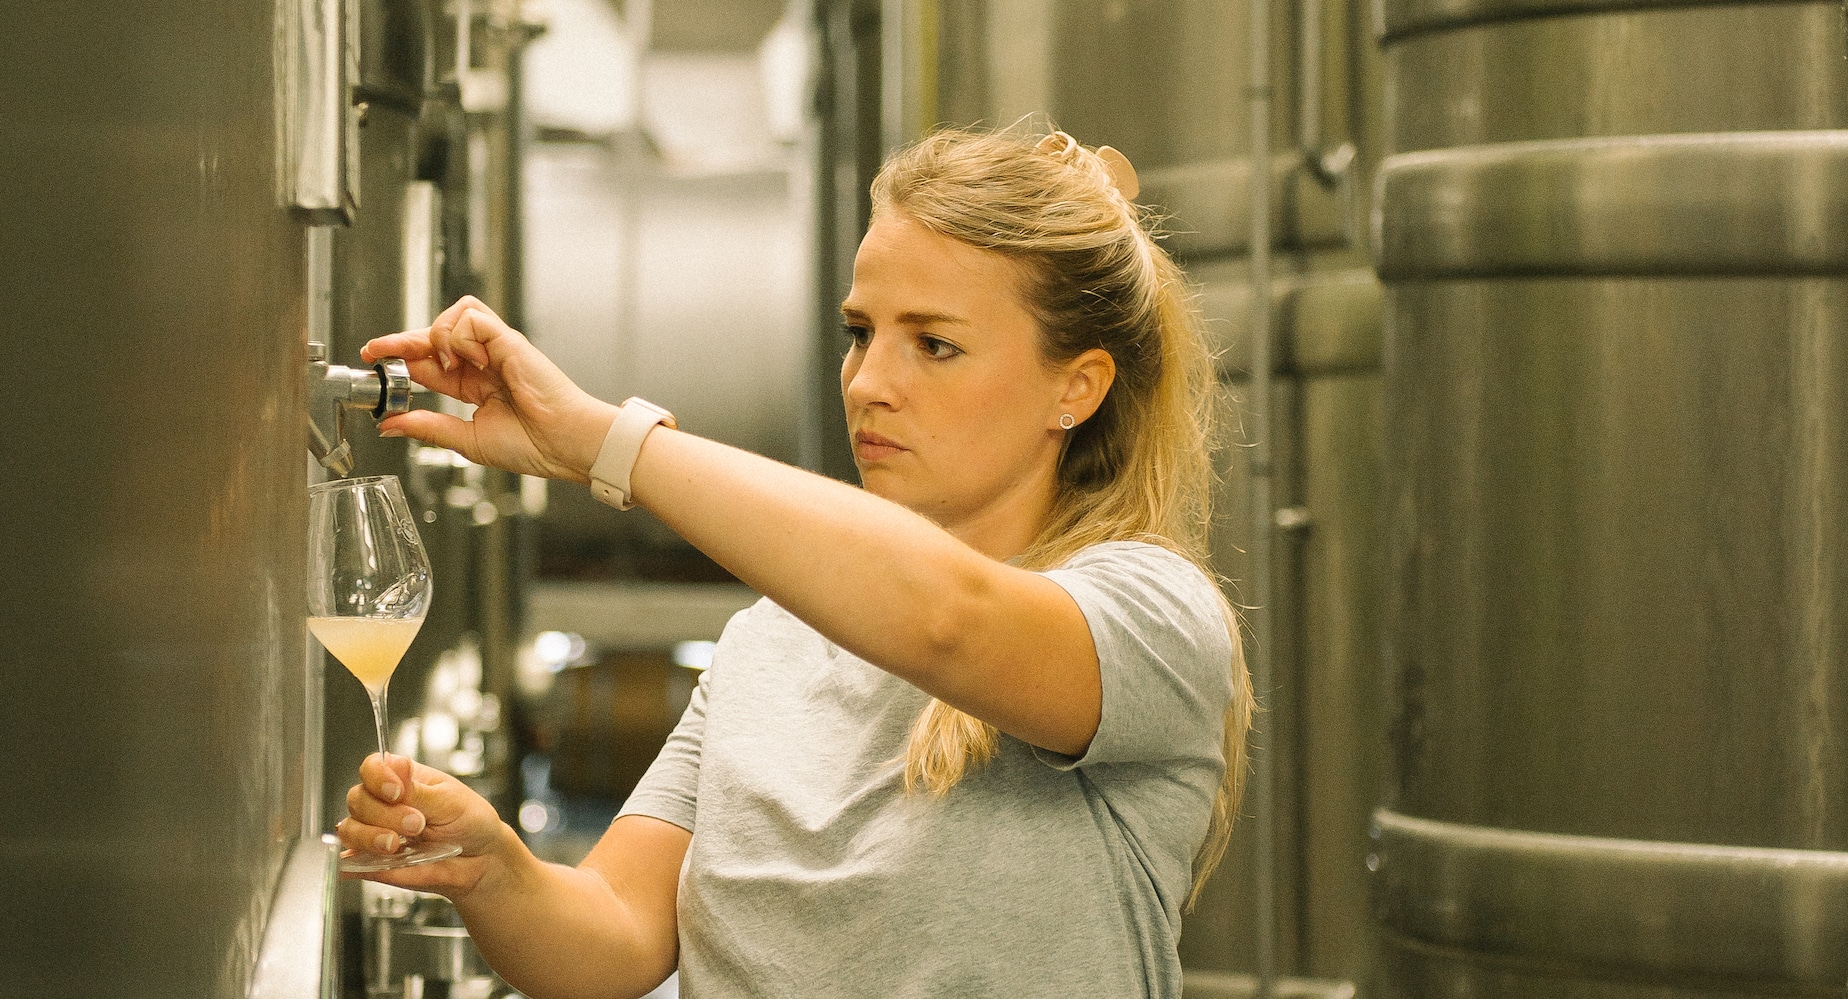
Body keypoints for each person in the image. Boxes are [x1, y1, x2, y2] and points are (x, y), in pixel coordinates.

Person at [341, 127, 1252, 999]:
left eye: (933, 343)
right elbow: (617, 927)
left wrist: (605, 443)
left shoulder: (1152, 613)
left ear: (1076, 387)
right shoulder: (767, 642)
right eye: (862, 332)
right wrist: (495, 868)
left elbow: (950, 621)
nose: (868, 381)